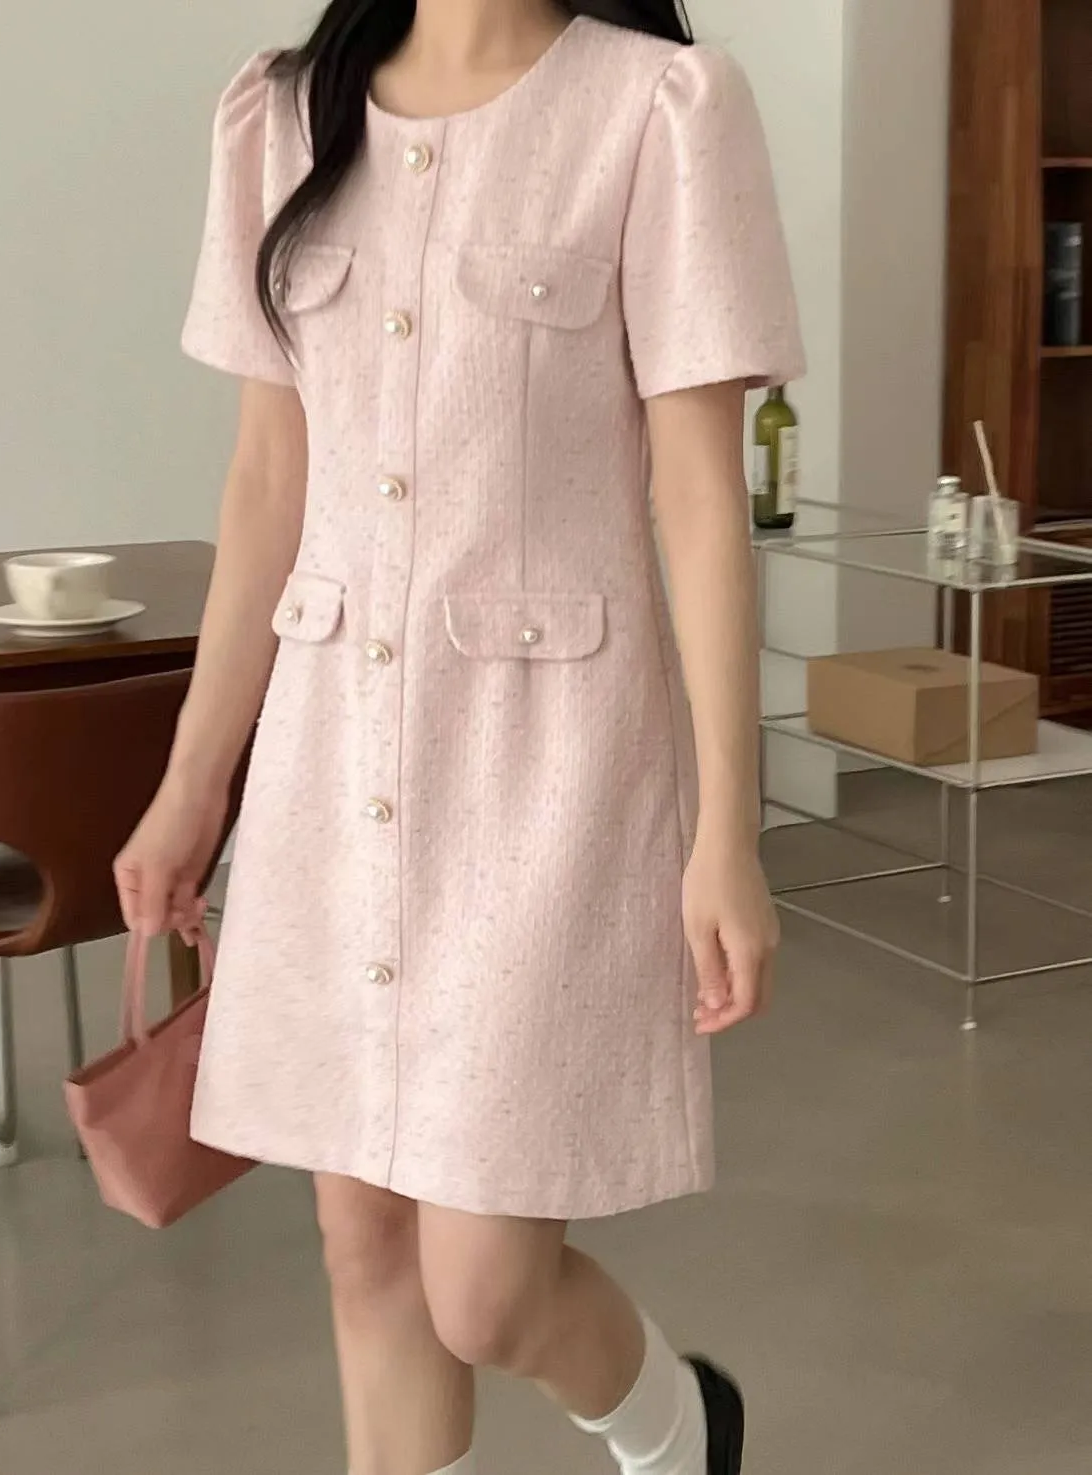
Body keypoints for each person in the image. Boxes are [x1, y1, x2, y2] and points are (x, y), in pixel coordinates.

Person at [116, 2, 804, 1472]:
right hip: (330, 761)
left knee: (483, 1292)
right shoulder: (284, 113)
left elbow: (698, 496)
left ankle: (678, 1428)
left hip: (552, 773)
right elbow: (268, 478)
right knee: (362, 1247)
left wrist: (726, 833)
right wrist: (191, 782)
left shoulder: (658, 109)